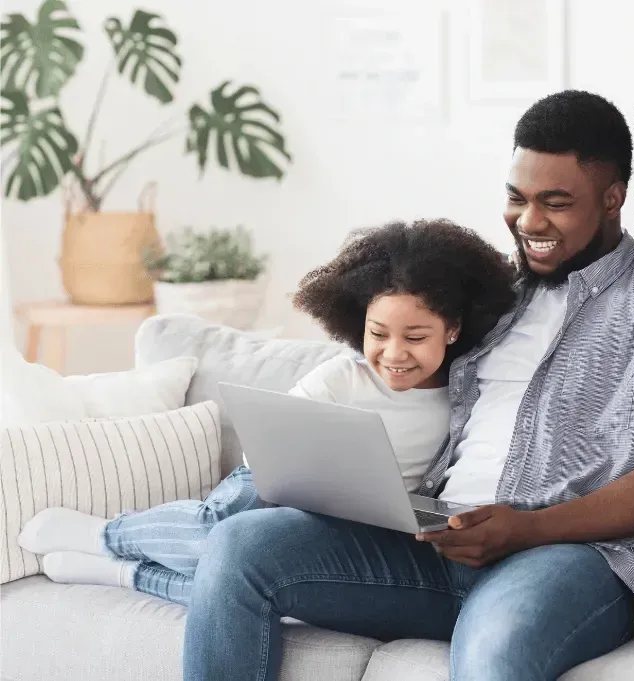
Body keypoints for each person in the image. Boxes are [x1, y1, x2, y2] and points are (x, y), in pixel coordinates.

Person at [180, 91, 634, 681]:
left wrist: (526, 528)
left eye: (556, 203)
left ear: (613, 197)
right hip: (438, 542)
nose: (529, 222)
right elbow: (399, 360)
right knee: (240, 547)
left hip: (573, 557)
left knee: (497, 645)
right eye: (516, 198)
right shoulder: (492, 296)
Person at [17, 219, 517, 606]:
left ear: (451, 330)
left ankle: (121, 573)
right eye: (378, 334)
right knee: (221, 528)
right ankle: (104, 535)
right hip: (271, 481)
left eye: (415, 338)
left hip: (352, 523)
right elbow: (275, 439)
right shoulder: (343, 377)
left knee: (259, 592)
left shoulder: (462, 398)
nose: (393, 353)